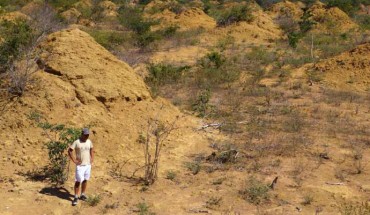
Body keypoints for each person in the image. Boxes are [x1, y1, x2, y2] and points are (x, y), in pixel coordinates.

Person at [68, 128, 94, 206]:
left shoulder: (89, 141)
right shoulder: (77, 142)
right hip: (80, 165)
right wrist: (74, 160)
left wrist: (92, 158)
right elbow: (69, 150)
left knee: (85, 180)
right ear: (82, 134)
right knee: (78, 181)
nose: (87, 136)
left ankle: (82, 194)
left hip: (88, 165)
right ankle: (76, 197)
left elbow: (92, 149)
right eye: (85, 135)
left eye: (88, 135)